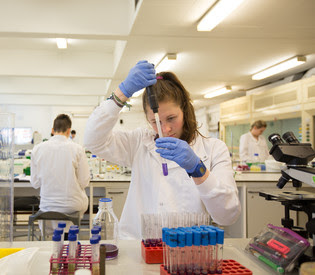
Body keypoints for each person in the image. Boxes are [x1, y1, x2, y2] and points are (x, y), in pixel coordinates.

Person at [84, 60, 241, 239]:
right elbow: (92, 140)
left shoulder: (213, 149)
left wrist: (198, 170)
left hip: (187, 252)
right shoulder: (138, 142)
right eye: (155, 122)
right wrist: (122, 92)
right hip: (138, 248)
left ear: (185, 109)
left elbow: (227, 215)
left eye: (172, 118)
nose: (165, 129)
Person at [31, 114, 90, 235]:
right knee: (81, 202)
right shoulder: (77, 149)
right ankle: (70, 240)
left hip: (47, 208)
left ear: (52, 131)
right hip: (72, 207)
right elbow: (84, 182)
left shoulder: (37, 149)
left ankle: (54, 242)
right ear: (69, 131)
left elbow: (35, 183)